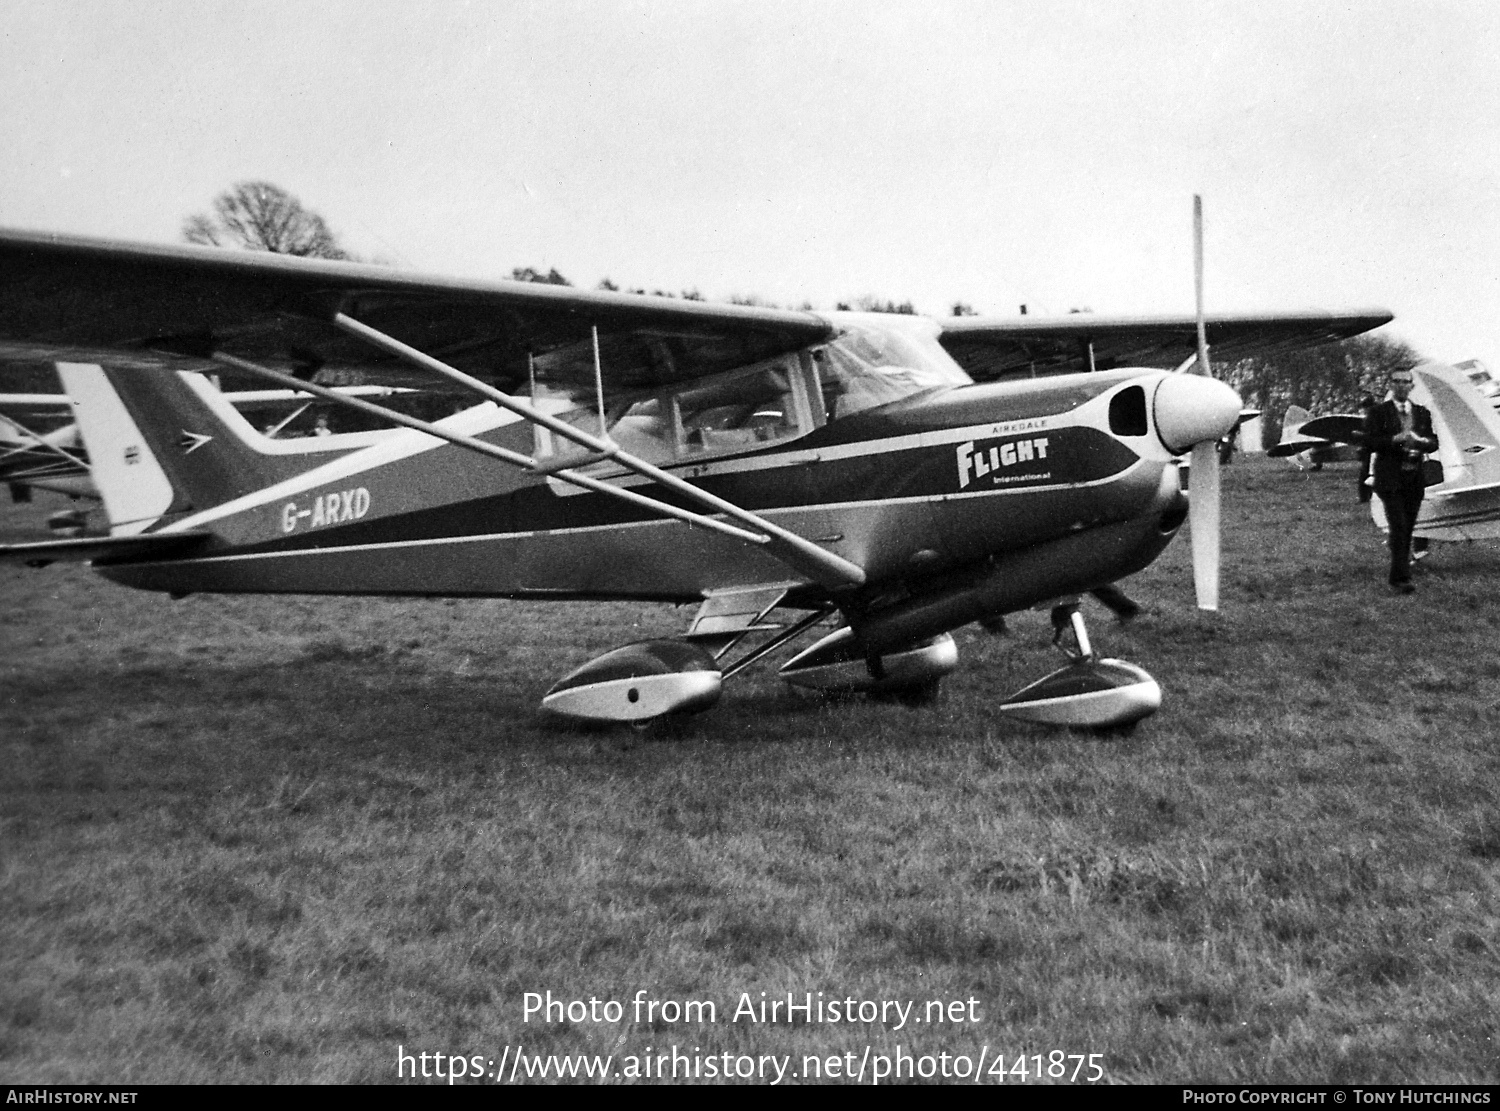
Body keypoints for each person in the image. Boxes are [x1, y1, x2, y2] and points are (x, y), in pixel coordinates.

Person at [1364, 369, 1438, 594]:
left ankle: (1402, 572)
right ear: (1390, 385)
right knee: (1399, 525)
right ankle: (1400, 578)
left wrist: (1422, 441)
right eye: (1396, 382)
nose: (1401, 386)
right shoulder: (1378, 413)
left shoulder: (1422, 413)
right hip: (1389, 477)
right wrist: (1395, 439)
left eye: (1406, 382)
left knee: (1408, 527)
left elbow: (1434, 443)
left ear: (1412, 386)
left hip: (1414, 477)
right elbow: (1370, 442)